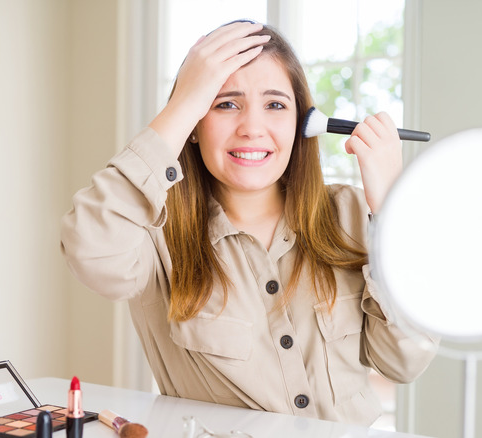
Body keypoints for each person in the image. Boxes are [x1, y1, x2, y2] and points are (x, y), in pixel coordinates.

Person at [60, 21, 438, 426]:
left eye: (275, 105)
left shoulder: (350, 213)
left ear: (300, 121)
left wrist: (391, 211)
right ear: (192, 125)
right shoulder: (152, 232)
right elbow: (91, 251)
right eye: (225, 103)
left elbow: (404, 361)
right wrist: (183, 105)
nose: (252, 128)